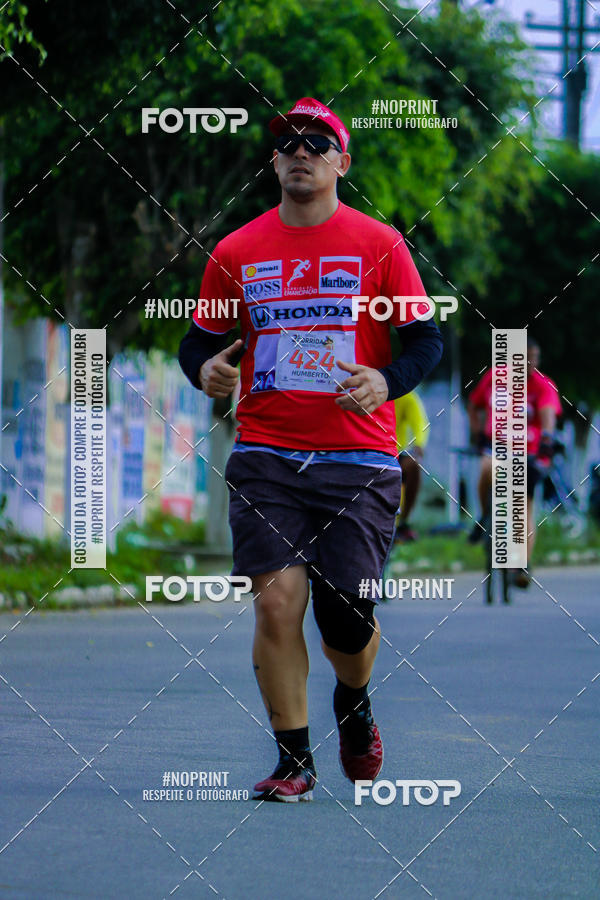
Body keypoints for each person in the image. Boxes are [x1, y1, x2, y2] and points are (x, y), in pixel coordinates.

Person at [179, 98, 443, 801]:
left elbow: (425, 341)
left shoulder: (380, 246)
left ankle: (353, 703)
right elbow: (200, 341)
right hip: (266, 453)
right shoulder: (236, 251)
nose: (302, 150)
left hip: (358, 460)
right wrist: (204, 371)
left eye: (318, 142)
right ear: (273, 161)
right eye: (288, 142)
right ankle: (294, 760)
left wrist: (384, 379)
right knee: (276, 602)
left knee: (346, 615)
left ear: (341, 162)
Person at [467, 337, 562, 586]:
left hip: (527, 453)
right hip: (496, 447)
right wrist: (476, 432)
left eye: (534, 359)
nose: (530, 364)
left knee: (523, 508)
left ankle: (521, 566)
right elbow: (474, 405)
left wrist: (548, 439)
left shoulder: (542, 385)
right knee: (486, 467)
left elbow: (548, 414)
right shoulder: (493, 378)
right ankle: (485, 514)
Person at [394, 390, 429, 542]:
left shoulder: (405, 396)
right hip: (366, 452)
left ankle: (404, 521)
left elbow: (420, 422)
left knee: (413, 465)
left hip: (394, 452)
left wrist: (419, 444)